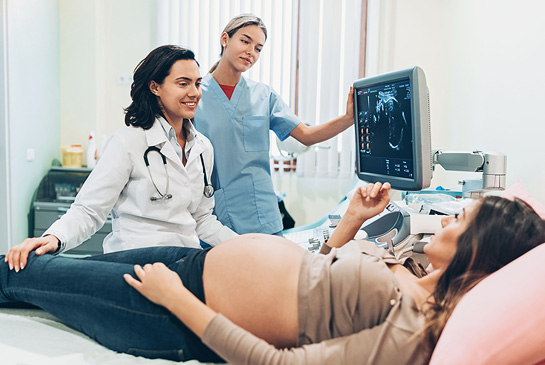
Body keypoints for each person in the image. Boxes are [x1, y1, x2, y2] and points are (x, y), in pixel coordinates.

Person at [2, 182, 544, 364]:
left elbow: (277, 362)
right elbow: (316, 279)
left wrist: (174, 299)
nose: (448, 215)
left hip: (172, 309)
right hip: (184, 265)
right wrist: (353, 221)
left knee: (18, 278)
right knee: (32, 268)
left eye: (462, 217)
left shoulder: (416, 328)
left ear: (479, 251)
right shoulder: (415, 265)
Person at [5, 45, 236, 272]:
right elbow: (89, 210)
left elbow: (202, 219)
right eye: (183, 83)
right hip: (134, 260)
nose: (194, 92)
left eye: (197, 83)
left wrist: (245, 245)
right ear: (155, 87)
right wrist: (55, 237)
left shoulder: (203, 147)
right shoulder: (128, 141)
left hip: (184, 261)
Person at [194, 14, 355, 235]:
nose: (251, 52)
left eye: (258, 48)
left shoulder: (263, 95)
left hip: (261, 212)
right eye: (245, 41)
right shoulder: (194, 95)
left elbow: (306, 135)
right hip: (215, 214)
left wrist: (348, 119)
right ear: (225, 39)